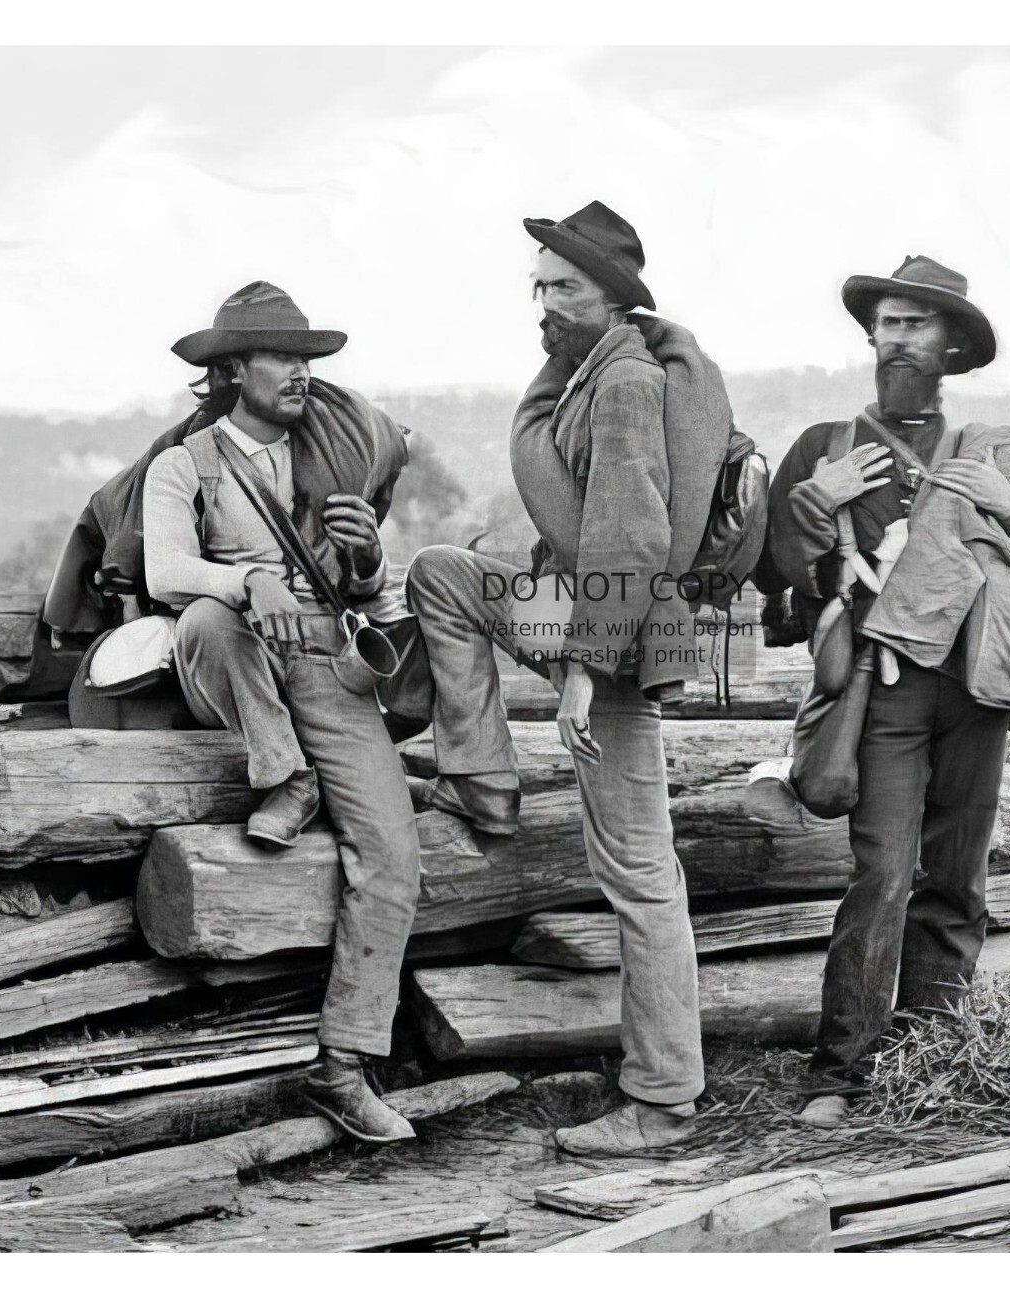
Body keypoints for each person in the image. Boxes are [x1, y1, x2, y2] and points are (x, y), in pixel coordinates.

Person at [405, 202, 735, 1154]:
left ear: (612, 297)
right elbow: (587, 516)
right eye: (538, 285)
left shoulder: (625, 381)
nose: (542, 304)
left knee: (639, 871)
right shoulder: (587, 370)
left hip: (622, 644)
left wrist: (583, 675)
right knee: (445, 572)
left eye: (563, 288)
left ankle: (665, 1097)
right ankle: (484, 779)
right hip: (588, 608)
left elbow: (631, 534)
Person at [758, 256, 1010, 1127]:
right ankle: (839, 1072)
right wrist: (812, 504)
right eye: (887, 322)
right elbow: (775, 586)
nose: (898, 338)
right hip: (879, 696)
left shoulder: (994, 451)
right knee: (881, 874)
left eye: (917, 323)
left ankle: (938, 1055)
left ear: (952, 345)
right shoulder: (824, 449)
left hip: (976, 688)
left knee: (957, 875)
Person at [142, 280, 423, 1144]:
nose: (300, 373)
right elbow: (164, 572)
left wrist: (369, 558)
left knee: (392, 848)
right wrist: (243, 578)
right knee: (209, 617)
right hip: (236, 656)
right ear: (232, 371)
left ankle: (342, 1066)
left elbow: (364, 589)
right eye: (280, 358)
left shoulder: (328, 461)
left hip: (325, 661)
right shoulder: (185, 464)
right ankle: (285, 773)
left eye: (306, 358)